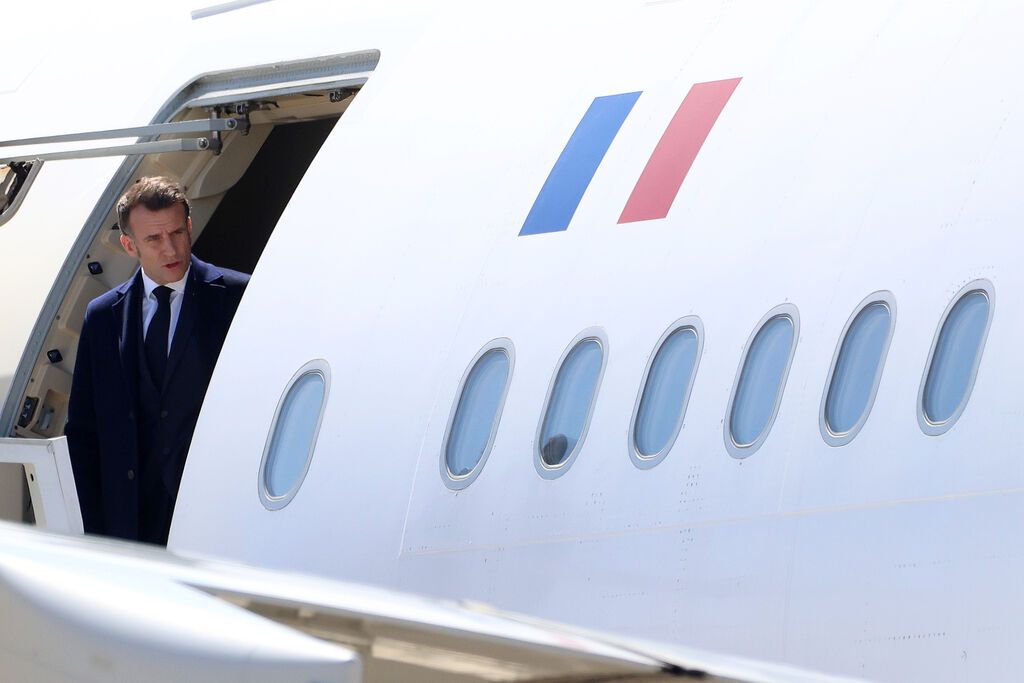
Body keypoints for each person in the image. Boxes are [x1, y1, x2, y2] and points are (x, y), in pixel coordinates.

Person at [65, 176, 249, 545]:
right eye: (153, 239)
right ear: (129, 245)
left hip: (214, 517)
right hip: (129, 525)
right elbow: (83, 433)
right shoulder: (102, 316)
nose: (170, 249)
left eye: (177, 232)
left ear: (189, 227)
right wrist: (93, 532)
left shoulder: (239, 297)